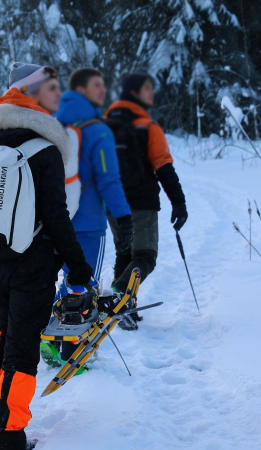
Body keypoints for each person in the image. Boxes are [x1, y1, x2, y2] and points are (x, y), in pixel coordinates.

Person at [0, 62, 94, 450]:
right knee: (23, 346)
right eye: (50, 88)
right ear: (31, 92)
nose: (56, 95)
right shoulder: (44, 149)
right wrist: (79, 265)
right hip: (31, 264)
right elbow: (57, 219)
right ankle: (9, 434)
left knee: (7, 325)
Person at [42, 68, 133, 364]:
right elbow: (109, 180)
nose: (103, 90)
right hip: (90, 224)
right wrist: (123, 217)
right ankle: (71, 351)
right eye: (97, 85)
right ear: (81, 89)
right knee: (83, 284)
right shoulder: (98, 131)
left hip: (56, 221)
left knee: (66, 282)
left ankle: (50, 340)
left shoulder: (52, 124)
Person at [104, 73, 188, 330]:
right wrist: (179, 203)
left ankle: (124, 309)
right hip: (141, 203)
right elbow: (164, 168)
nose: (152, 93)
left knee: (125, 253)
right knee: (145, 256)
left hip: (112, 202)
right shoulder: (148, 127)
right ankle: (118, 297)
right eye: (147, 89)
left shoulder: (104, 126)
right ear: (134, 93)